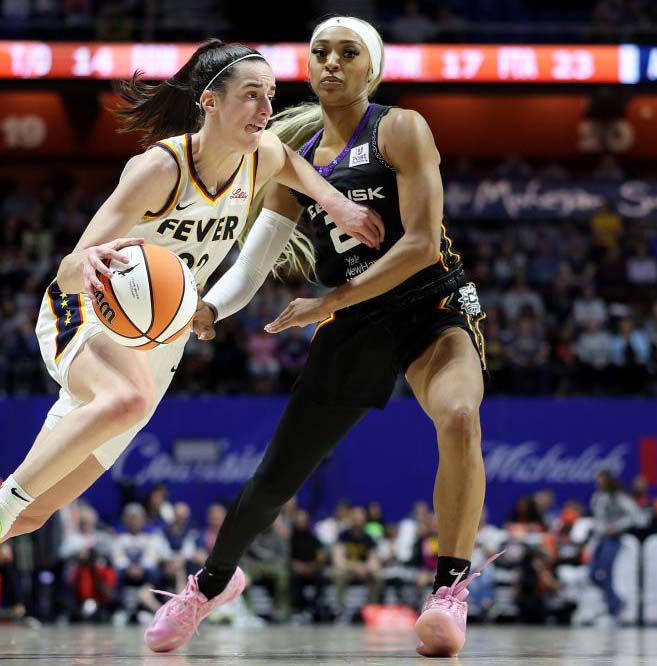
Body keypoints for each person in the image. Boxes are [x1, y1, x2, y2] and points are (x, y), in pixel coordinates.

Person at [0, 39, 382, 655]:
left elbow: (297, 169)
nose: (265, 106)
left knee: (35, 513)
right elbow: (71, 266)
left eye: (271, 95)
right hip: (89, 312)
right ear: (209, 101)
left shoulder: (262, 155)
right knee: (120, 402)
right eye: (251, 94)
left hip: (158, 340)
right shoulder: (160, 168)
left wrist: (337, 204)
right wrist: (86, 265)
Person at [145, 17, 497, 658]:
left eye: (348, 53)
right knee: (280, 474)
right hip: (357, 323)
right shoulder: (295, 157)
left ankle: (448, 591)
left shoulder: (400, 127)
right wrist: (209, 311)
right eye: (320, 53)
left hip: (431, 304)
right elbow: (253, 266)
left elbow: (420, 244)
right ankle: (210, 585)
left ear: (374, 68)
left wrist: (328, 300)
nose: (331, 63)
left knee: (460, 415)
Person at [590, 469, 639, 622]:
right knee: (593, 574)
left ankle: (613, 610)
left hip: (612, 539)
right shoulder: (597, 496)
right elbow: (597, 518)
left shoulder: (618, 496)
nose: (598, 482)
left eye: (601, 479)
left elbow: (634, 515)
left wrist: (616, 527)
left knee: (606, 572)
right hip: (599, 538)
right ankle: (616, 601)